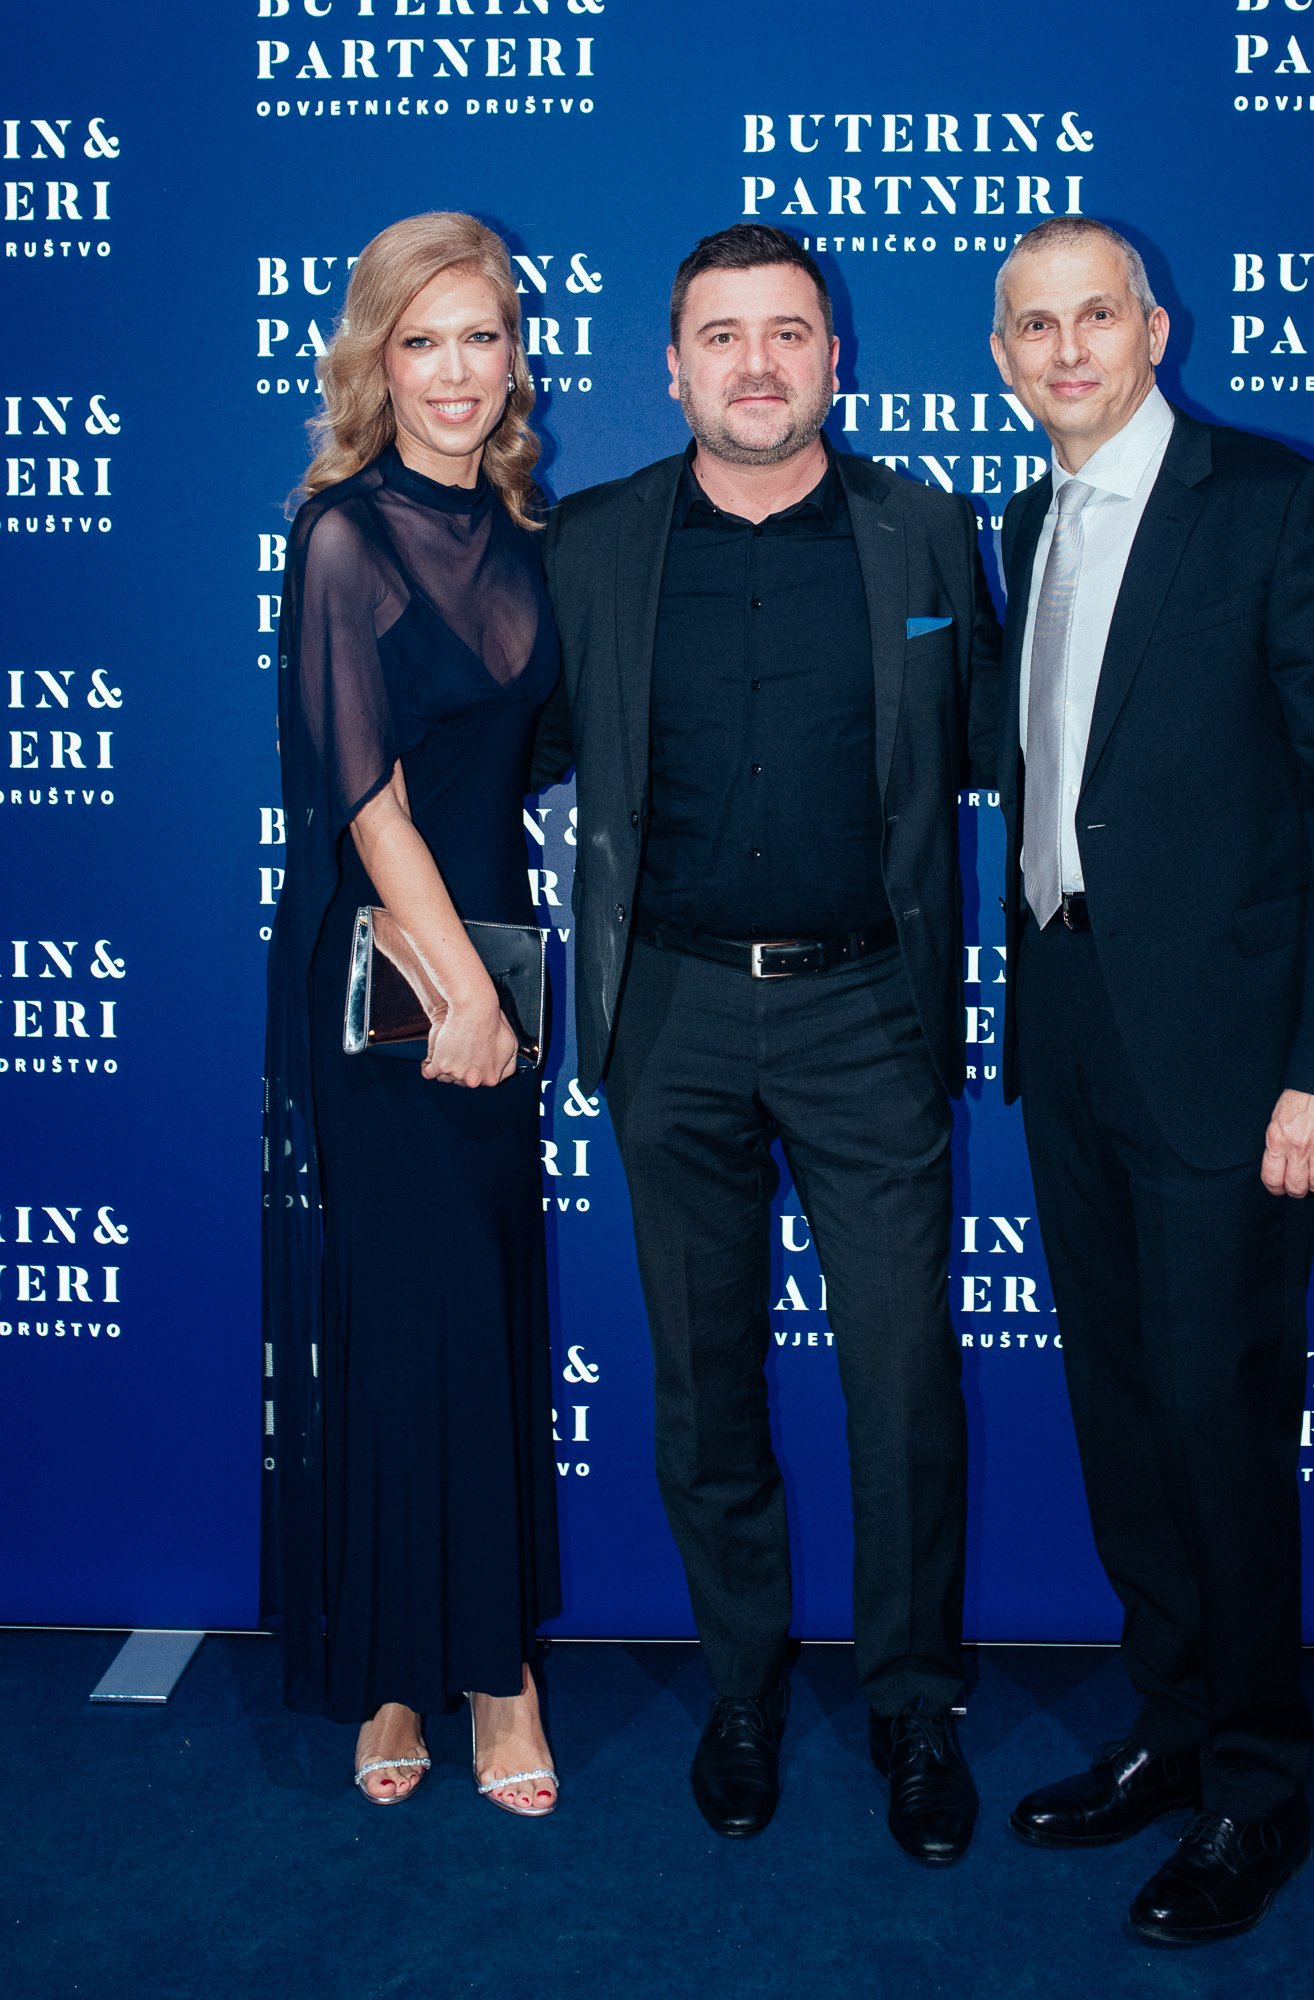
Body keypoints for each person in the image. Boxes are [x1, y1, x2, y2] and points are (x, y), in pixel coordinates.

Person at [536, 224, 1000, 1865]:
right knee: (701, 1381)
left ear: (833, 357)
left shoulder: (926, 535)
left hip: (869, 1009)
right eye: (719, 337)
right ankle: (743, 1687)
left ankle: (914, 1705)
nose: (754, 364)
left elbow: (1028, 748)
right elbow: (479, 744)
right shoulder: (585, 543)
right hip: (665, 1013)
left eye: (785, 333)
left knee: (902, 1378)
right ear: (669, 366)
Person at [987, 218, 1314, 1941]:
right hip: (1073, 1027)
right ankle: (1167, 1731)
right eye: (1035, 324)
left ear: (1154, 329)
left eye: (1098, 314)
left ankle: (1255, 1784)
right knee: (1123, 1411)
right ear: (1005, 356)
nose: (1068, 346)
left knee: (1218, 1416)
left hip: (1237, 1062)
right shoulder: (1033, 519)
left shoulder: (1276, 506)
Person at [262, 212, 568, 1814]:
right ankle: (401, 1667)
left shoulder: (522, 529)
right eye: (422, 340)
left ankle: (496, 1670)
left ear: (516, 357)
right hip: (398, 977)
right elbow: (366, 801)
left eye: (482, 337)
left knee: (486, 1306)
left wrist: (494, 998)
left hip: (496, 970)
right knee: (402, 1307)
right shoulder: (345, 535)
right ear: (377, 362)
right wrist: (455, 997)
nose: (456, 372)